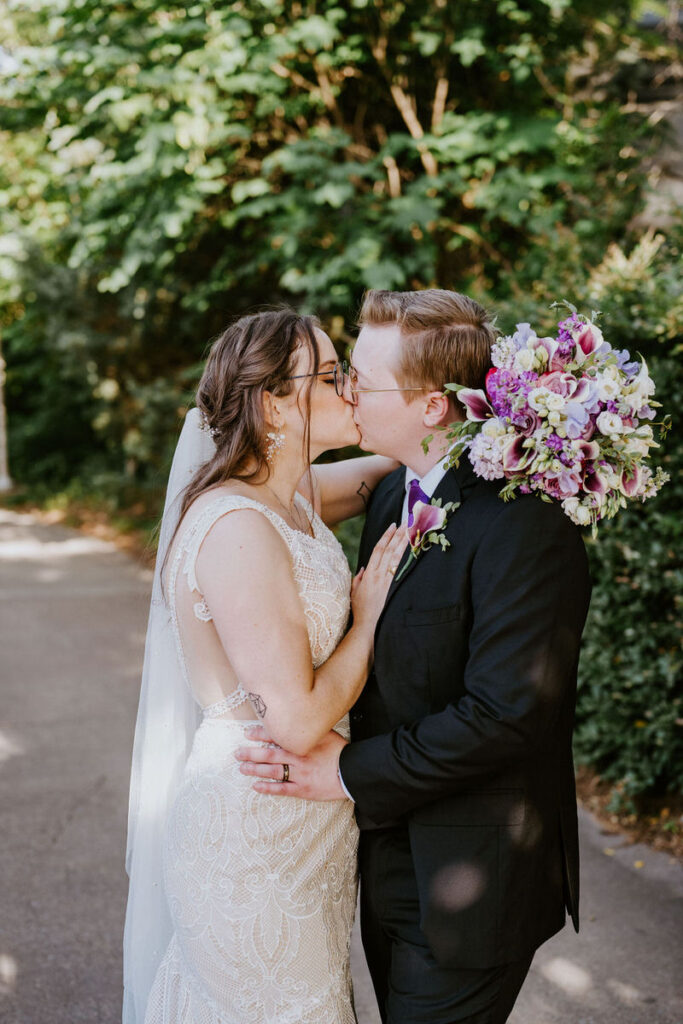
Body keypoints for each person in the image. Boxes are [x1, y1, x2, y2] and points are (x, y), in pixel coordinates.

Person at [237, 289, 592, 1024]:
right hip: (383, 857)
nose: (346, 393)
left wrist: (342, 769)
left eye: (360, 381)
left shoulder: (525, 523)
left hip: (475, 878)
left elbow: (504, 714)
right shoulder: (390, 491)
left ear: (433, 407)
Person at [122, 307, 408, 1024]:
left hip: (308, 833)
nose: (349, 390)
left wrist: (499, 421)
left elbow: (393, 468)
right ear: (275, 400)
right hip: (251, 830)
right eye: (332, 376)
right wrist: (367, 620)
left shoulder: (297, 500)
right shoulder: (236, 527)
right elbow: (298, 717)